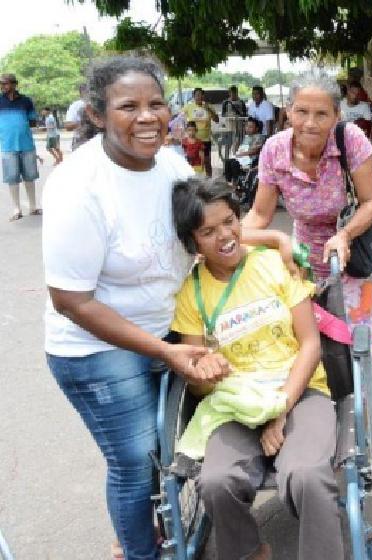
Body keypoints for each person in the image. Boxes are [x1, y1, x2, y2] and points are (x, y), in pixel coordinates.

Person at [41, 55, 210, 560]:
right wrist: (164, 349)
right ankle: (141, 552)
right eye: (128, 106)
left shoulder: (174, 165)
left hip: (166, 331)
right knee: (135, 460)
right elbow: (71, 300)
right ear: (97, 115)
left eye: (156, 104)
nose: (147, 117)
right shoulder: (78, 187)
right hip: (94, 349)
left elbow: (204, 229)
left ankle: (142, 531)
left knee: (170, 448)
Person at [170, 176, 335, 560]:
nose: (225, 236)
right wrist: (203, 372)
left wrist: (280, 411)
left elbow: (311, 344)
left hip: (299, 388)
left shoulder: (275, 265)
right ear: (192, 241)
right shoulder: (191, 294)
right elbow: (198, 388)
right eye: (208, 231)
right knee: (216, 480)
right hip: (236, 402)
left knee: (307, 473)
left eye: (229, 221)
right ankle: (249, 552)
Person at [243, 69, 372, 388]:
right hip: (303, 258)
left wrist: (344, 234)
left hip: (353, 253)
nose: (310, 123)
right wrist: (225, 239)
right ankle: (321, 402)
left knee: (356, 343)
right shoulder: (274, 151)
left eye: (321, 114)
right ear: (288, 111)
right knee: (308, 340)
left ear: (336, 115)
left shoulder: (351, 140)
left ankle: (361, 402)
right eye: (301, 112)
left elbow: (371, 203)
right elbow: (259, 215)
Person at [0, 72, 40, 221]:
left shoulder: (26, 101)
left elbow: (33, 122)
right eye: (1, 84)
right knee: (12, 178)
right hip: (8, 146)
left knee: (30, 176)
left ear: (14, 84)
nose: (3, 86)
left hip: (27, 144)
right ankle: (17, 208)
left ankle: (33, 206)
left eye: (5, 83)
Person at [181, 87, 219, 177]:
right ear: (194, 96)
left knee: (207, 161)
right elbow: (180, 117)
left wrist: (208, 109)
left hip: (205, 139)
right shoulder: (189, 106)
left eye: (201, 95)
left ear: (203, 96)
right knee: (193, 161)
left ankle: (209, 181)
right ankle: (193, 179)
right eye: (197, 95)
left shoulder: (209, 106)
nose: (199, 97)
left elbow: (217, 120)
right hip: (192, 140)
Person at [223, 116, 265, 183]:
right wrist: (235, 145)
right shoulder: (246, 137)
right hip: (241, 157)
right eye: (247, 126)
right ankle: (228, 182)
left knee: (234, 163)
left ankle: (236, 184)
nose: (247, 128)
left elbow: (255, 151)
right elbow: (237, 149)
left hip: (251, 160)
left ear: (257, 128)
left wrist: (241, 154)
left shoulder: (259, 137)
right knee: (228, 162)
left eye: (250, 127)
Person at [64, 84, 87, 149]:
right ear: (81, 93)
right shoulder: (76, 105)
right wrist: (86, 123)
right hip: (82, 141)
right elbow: (68, 126)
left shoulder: (99, 104)